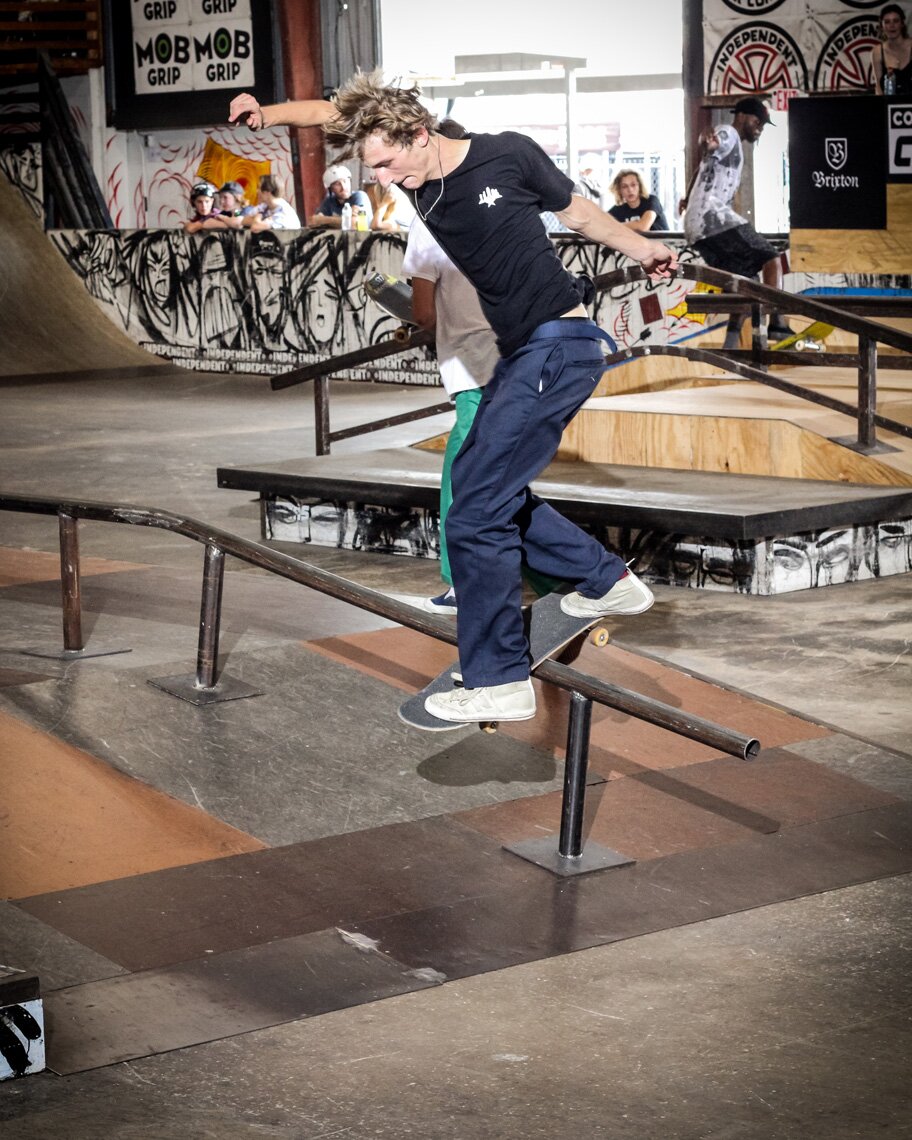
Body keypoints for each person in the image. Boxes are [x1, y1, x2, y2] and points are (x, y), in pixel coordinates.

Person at [229, 73, 676, 726]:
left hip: (560, 346)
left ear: (419, 134)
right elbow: (336, 111)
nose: (386, 180)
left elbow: (578, 212)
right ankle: (607, 580)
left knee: (473, 514)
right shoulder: (417, 182)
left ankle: (498, 680)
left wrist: (646, 248)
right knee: (478, 489)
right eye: (375, 170)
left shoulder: (508, 153)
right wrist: (266, 113)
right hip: (525, 357)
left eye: (389, 164)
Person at [680, 96, 790, 349]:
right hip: (712, 219)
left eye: (762, 125)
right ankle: (778, 322)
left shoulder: (732, 144)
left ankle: (730, 344)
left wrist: (687, 198)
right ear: (741, 116)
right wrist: (707, 141)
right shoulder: (729, 134)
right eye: (757, 122)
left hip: (697, 227)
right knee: (772, 258)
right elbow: (712, 143)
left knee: (746, 282)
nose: (759, 129)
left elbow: (701, 167)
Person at [309, 163, 374, 228]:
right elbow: (313, 221)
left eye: (345, 181)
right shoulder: (329, 201)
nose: (343, 187)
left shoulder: (359, 196)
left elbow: (354, 224)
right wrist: (345, 220)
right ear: (330, 188)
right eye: (337, 184)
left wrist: (323, 220)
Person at [873, 4, 912, 94]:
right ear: (881, 26)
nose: (892, 25)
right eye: (887, 22)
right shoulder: (877, 52)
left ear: (902, 24)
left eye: (896, 21)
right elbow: (878, 88)